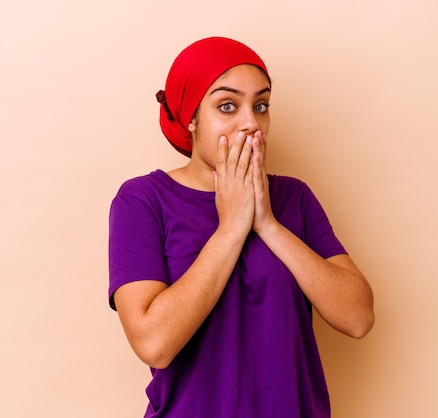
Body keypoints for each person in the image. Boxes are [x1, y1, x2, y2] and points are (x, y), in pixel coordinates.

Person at [108, 36, 374, 418]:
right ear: (191, 118)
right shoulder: (143, 201)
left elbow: (358, 317)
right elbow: (154, 343)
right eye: (228, 106)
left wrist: (267, 224)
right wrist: (231, 228)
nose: (251, 123)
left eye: (261, 105)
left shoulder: (293, 198)